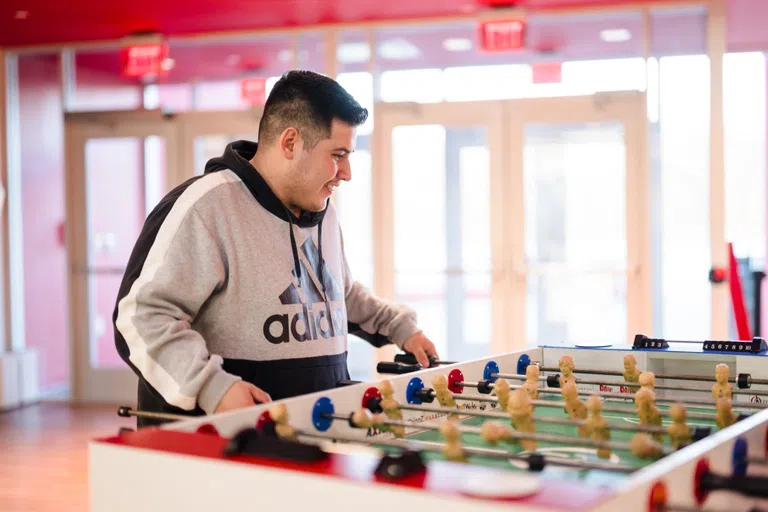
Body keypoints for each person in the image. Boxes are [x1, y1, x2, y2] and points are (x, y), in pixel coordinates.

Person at [113, 70, 438, 427]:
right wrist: (212, 387)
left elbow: (335, 294)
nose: (346, 172)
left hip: (313, 433)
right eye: (338, 154)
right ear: (290, 143)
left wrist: (399, 327)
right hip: (224, 448)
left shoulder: (322, 211)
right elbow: (141, 318)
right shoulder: (206, 208)